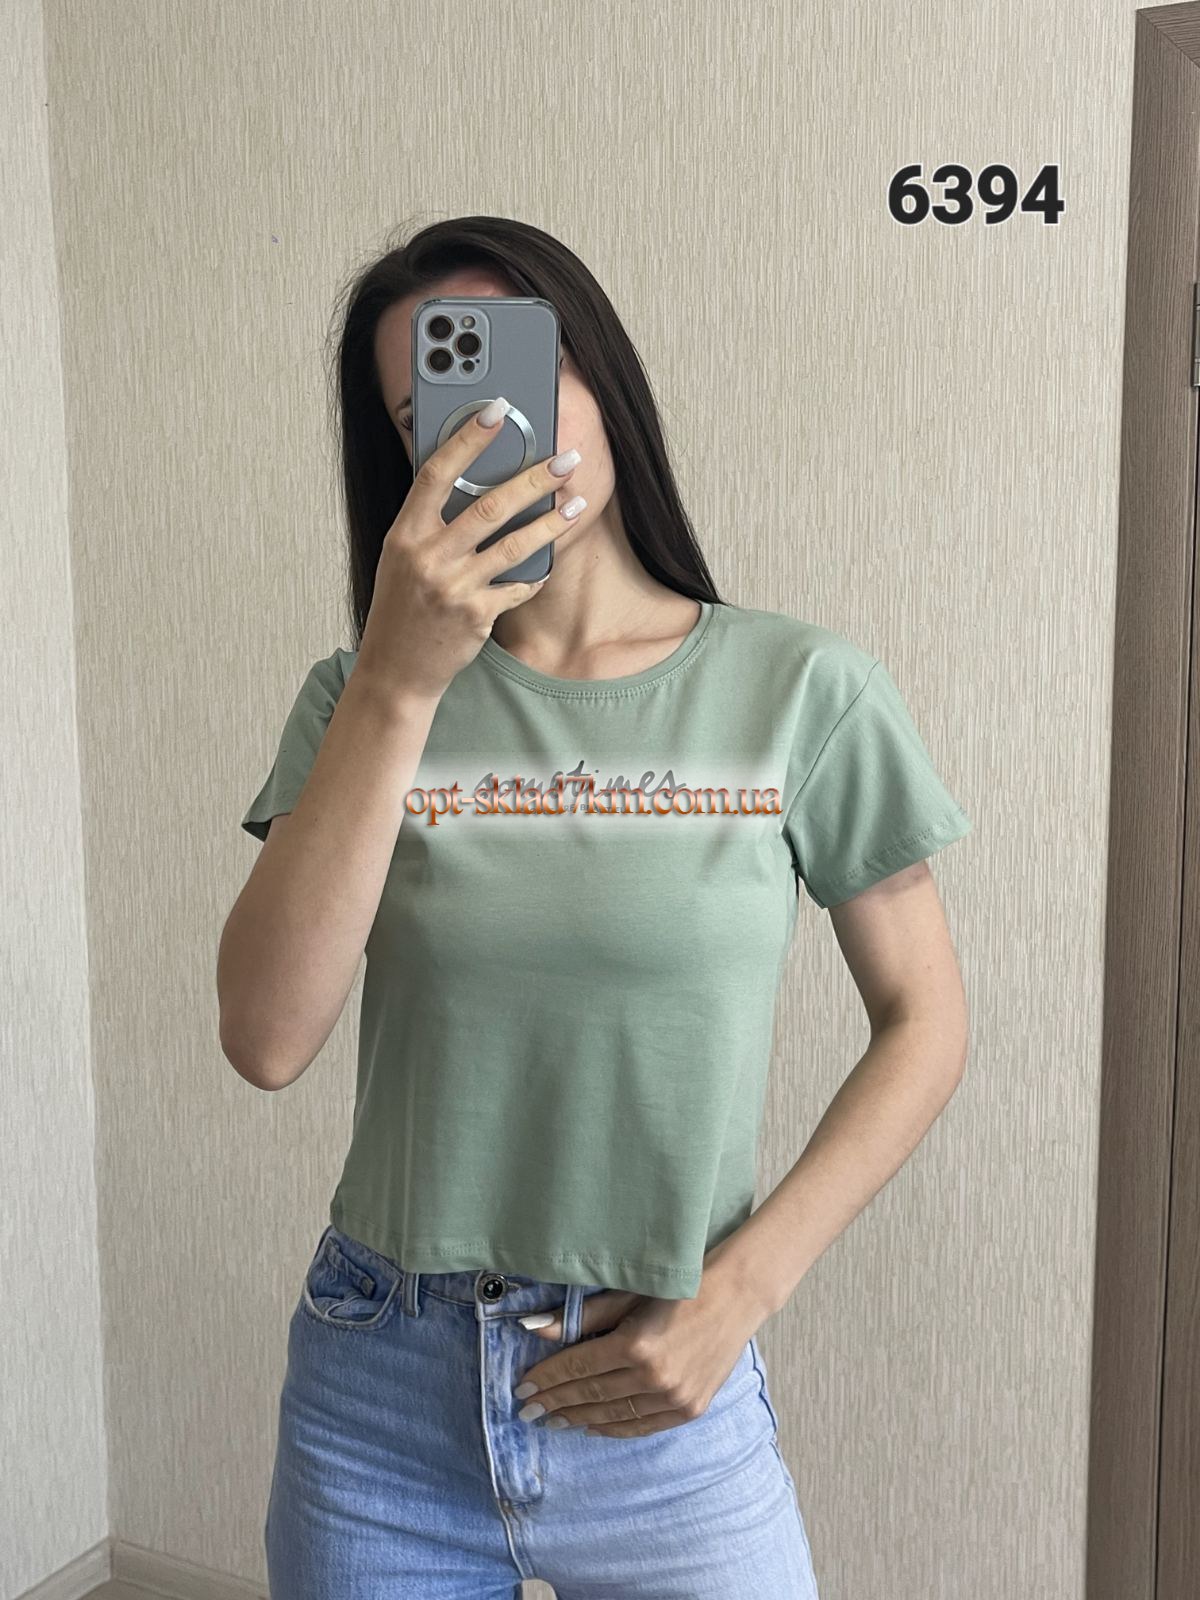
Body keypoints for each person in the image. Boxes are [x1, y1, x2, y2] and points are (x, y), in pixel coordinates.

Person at [217, 215, 972, 1598]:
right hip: (381, 1392)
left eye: (524, 370)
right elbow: (266, 1038)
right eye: (432, 413)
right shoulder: (356, 701)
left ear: (605, 377)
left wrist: (742, 1290)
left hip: (667, 1391)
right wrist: (400, 681)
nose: (489, 427)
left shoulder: (803, 691)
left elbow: (925, 1020)